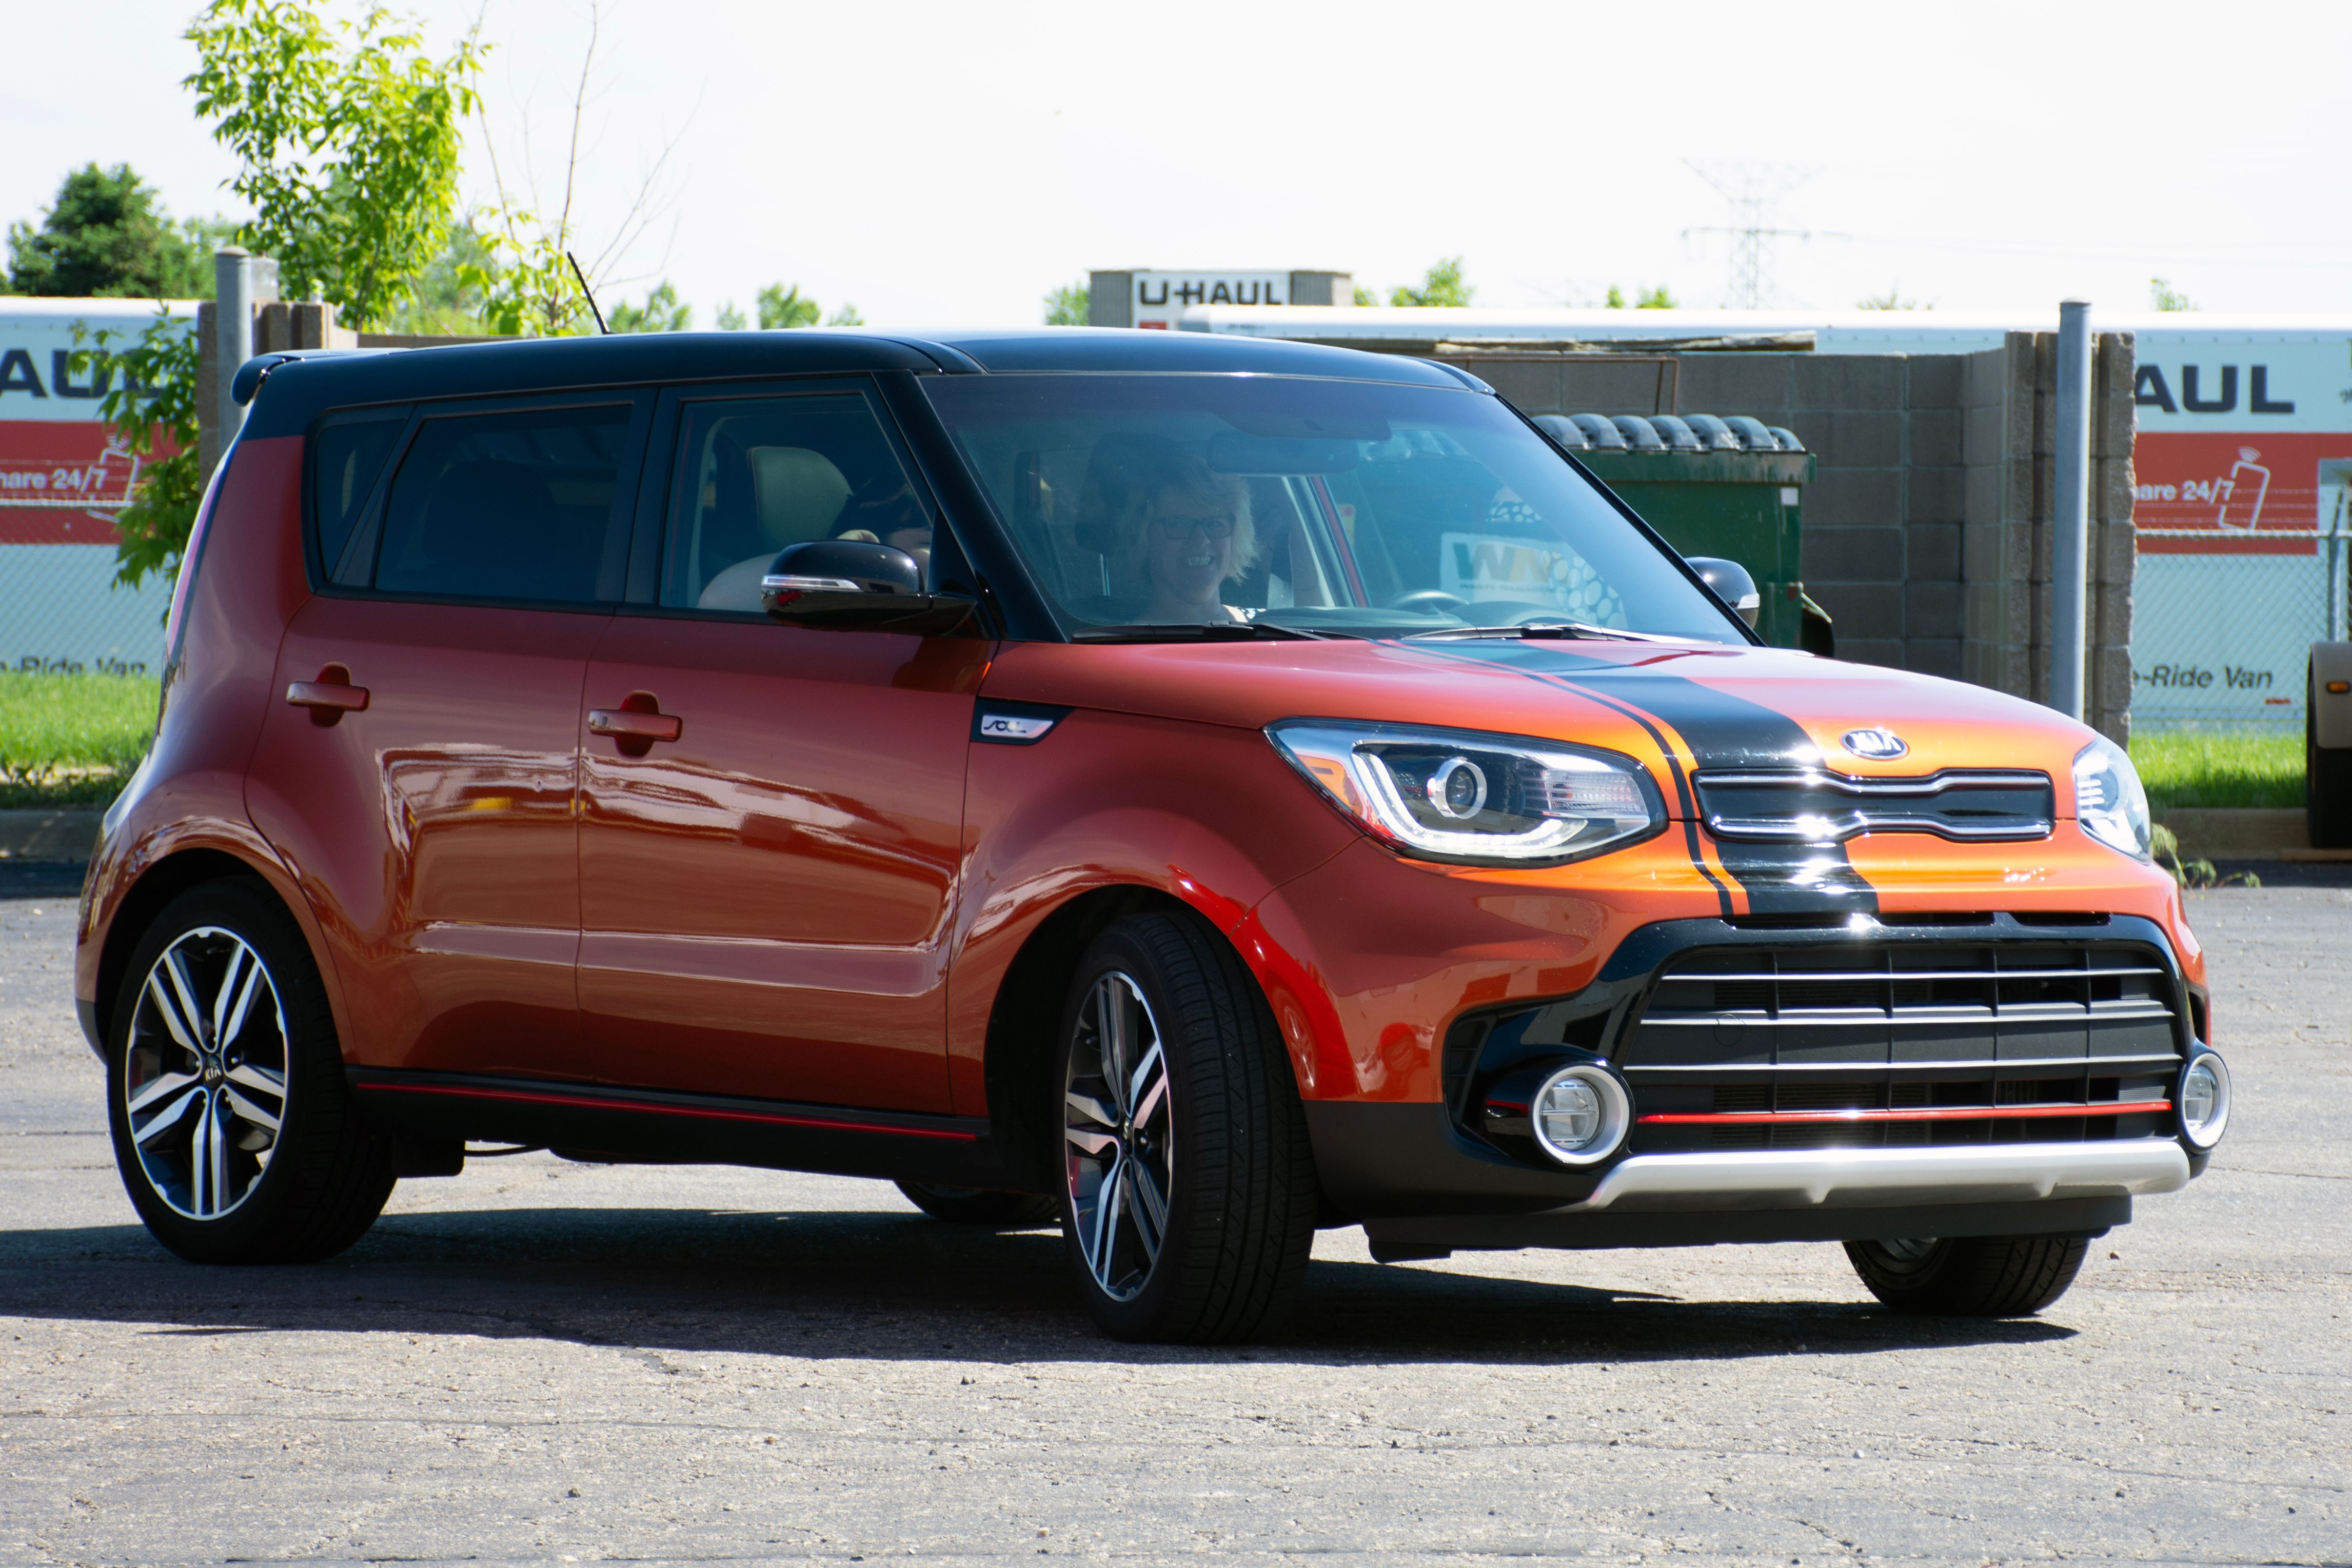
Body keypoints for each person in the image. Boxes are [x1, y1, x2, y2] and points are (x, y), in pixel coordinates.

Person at [1074, 435, 1257, 624]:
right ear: (1142, 537)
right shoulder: (1117, 644)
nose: (1201, 539)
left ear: (1236, 536)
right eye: (1178, 524)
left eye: (1214, 524)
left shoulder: (1274, 629)